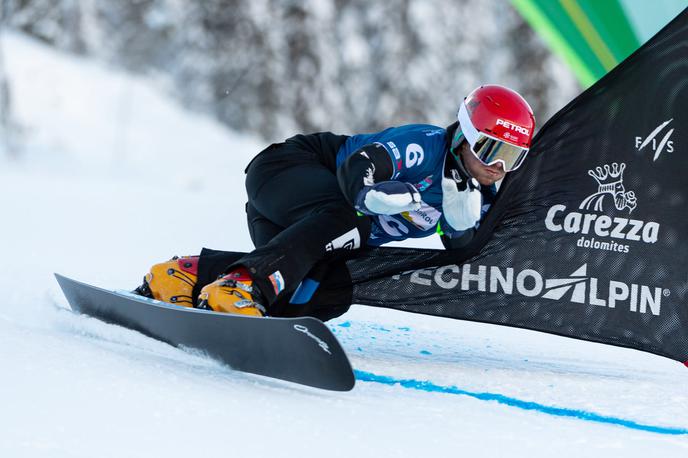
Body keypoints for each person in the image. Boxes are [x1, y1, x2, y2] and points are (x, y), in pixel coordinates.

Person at [135, 84, 535, 317]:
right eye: (490, 149)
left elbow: (462, 248)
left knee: (330, 292)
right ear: (464, 134)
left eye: (512, 157)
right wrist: (370, 194)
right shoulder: (426, 146)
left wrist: (462, 225)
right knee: (348, 220)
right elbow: (361, 164)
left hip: (306, 233)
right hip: (285, 172)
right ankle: (241, 285)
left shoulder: (476, 194)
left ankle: (187, 274)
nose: (498, 166)